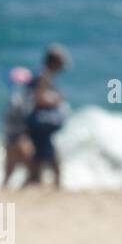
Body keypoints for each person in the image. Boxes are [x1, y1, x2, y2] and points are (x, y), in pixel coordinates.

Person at [25, 44, 70, 188]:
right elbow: (39, 99)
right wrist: (57, 99)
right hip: (40, 123)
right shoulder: (44, 75)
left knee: (42, 157)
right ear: (55, 61)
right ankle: (55, 184)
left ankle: (41, 184)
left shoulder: (41, 74)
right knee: (45, 156)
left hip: (37, 122)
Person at [1, 66, 35, 188]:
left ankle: (9, 189)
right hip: (19, 138)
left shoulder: (13, 99)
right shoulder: (20, 100)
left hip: (10, 138)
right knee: (30, 168)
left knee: (9, 171)